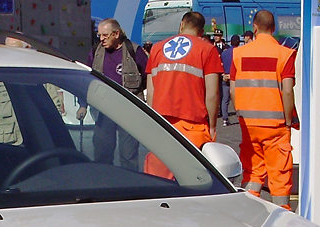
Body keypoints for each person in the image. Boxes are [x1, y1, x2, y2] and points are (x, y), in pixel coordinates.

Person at [143, 11, 224, 180]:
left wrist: (152, 121)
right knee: (194, 183)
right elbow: (212, 94)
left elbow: (151, 91)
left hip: (162, 125)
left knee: (158, 182)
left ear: (181, 25)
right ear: (201, 32)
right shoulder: (208, 50)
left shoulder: (157, 49)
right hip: (193, 126)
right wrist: (213, 124)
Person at [230, 9, 297, 209]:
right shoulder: (284, 55)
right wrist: (288, 119)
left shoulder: (238, 54)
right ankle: (283, 218)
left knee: (252, 171)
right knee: (279, 174)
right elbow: (287, 91)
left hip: (248, 124)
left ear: (255, 28)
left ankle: (249, 212)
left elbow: (233, 90)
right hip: (275, 126)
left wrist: (241, 111)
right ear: (274, 29)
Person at [76, 18, 147, 169]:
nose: (101, 39)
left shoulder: (134, 51)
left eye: (105, 35)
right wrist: (83, 105)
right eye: (99, 35)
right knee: (102, 153)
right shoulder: (96, 52)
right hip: (103, 110)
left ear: (116, 34)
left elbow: (148, 77)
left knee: (128, 154)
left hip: (129, 111)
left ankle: (130, 189)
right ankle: (104, 184)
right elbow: (85, 80)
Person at [219, 34, 240, 126]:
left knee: (225, 99)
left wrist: (224, 74)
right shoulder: (239, 52)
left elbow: (221, 64)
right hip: (235, 78)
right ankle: (240, 116)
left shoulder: (224, 53)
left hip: (225, 77)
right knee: (238, 98)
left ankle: (225, 119)